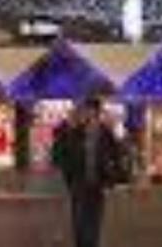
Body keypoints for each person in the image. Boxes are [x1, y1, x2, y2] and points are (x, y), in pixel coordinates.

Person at [52, 96, 123, 247]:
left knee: (94, 218)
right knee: (78, 219)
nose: (88, 114)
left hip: (98, 182)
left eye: (91, 111)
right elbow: (59, 152)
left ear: (97, 112)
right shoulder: (75, 130)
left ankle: (91, 243)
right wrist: (67, 126)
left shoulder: (105, 132)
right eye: (86, 111)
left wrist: (113, 177)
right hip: (78, 181)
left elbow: (117, 154)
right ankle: (82, 243)